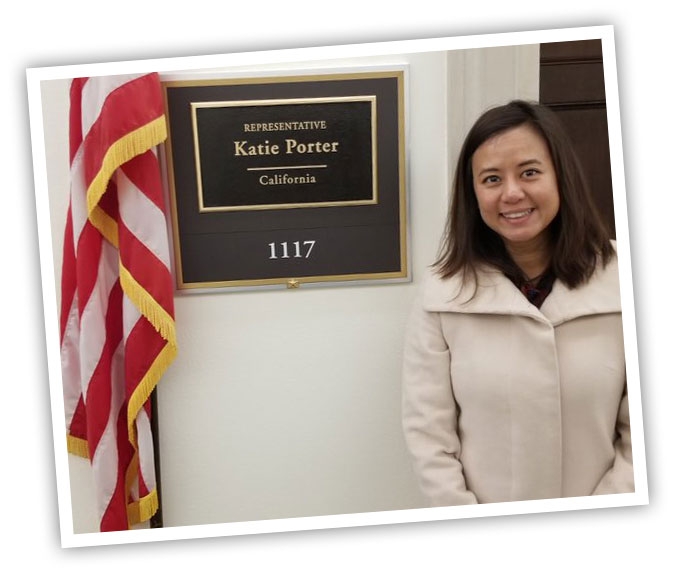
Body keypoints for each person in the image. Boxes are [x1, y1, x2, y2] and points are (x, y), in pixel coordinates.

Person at [402, 100, 633, 506]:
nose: (511, 193)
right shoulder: (442, 294)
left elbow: (646, 436)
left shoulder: (627, 279)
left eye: (529, 172)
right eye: (491, 179)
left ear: (562, 177)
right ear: (473, 195)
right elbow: (429, 437)